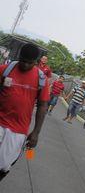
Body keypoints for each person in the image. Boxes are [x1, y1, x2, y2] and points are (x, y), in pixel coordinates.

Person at [0, 43, 49, 183]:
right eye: (23, 60)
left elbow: (42, 105)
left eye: (30, 63)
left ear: (36, 62)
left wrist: (36, 133)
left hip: (18, 131)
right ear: (19, 57)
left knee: (4, 166)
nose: (25, 65)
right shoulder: (5, 70)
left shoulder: (41, 79)